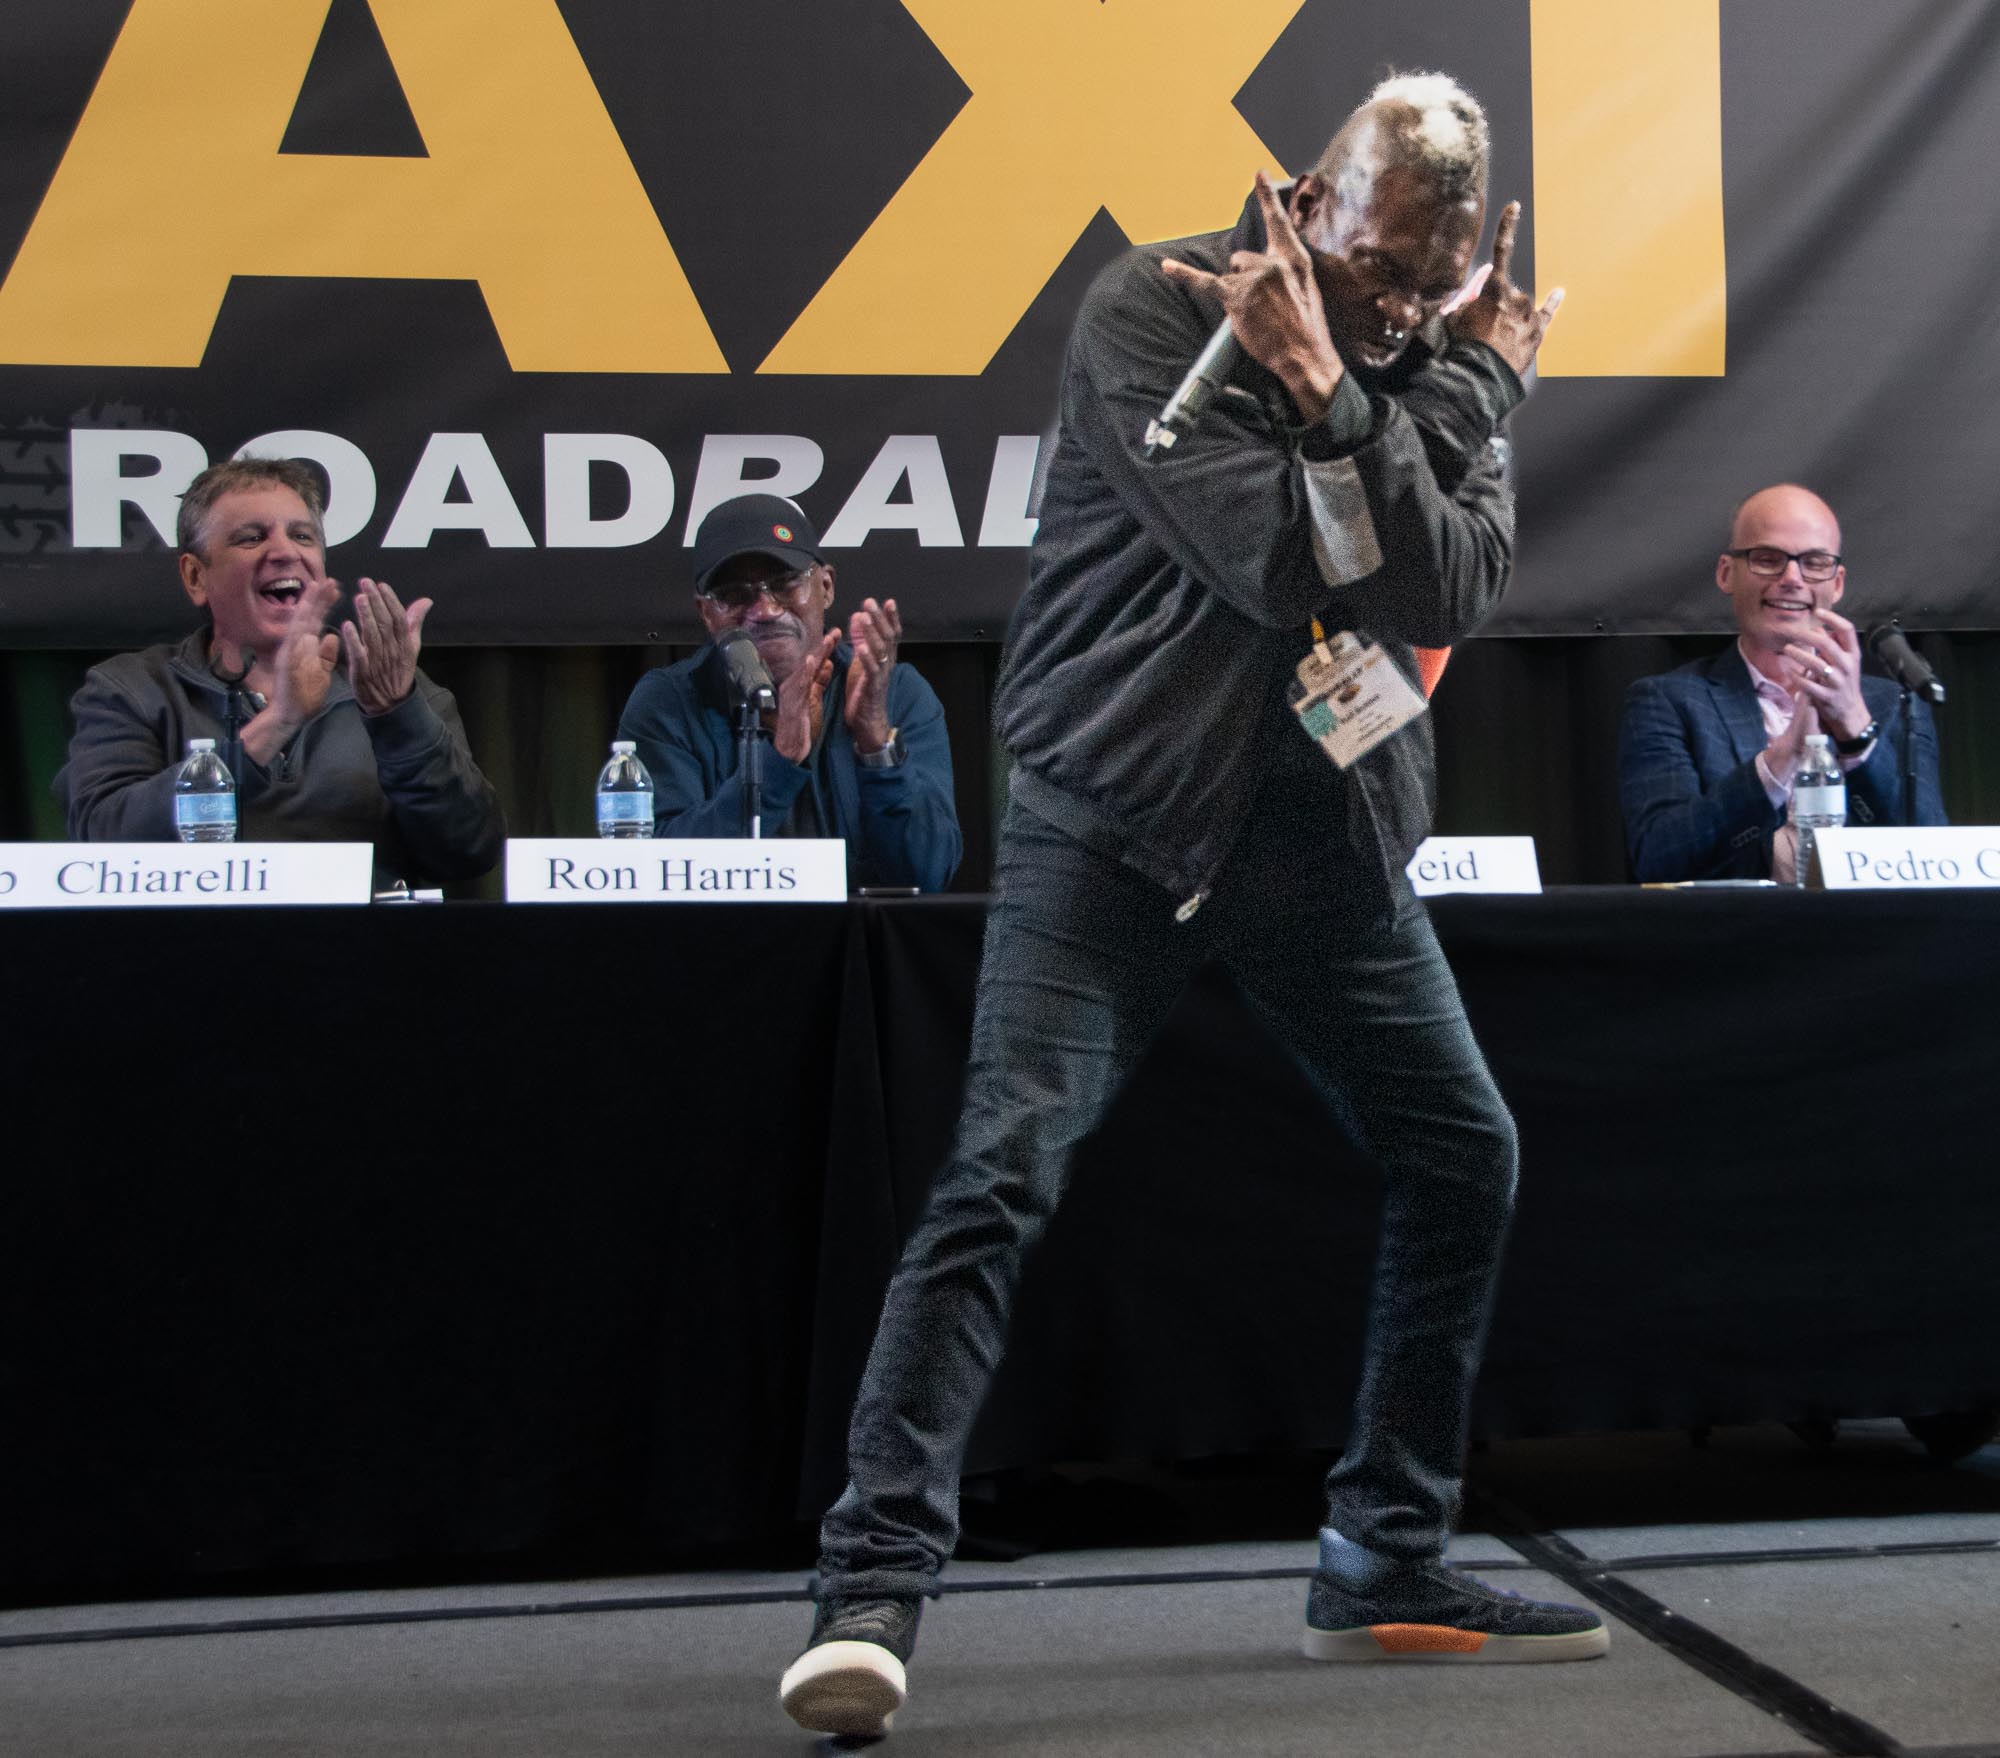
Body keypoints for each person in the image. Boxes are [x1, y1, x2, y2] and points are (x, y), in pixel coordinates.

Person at [777, 72, 1604, 1741]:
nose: (1386, 317)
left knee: (1468, 1151)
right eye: (1367, 280)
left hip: (1324, 842)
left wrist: (1390, 398)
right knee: (1003, 1169)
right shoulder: (1151, 315)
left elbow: (1449, 584)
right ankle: (869, 1585)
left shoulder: (1431, 363)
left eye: (1422, 298)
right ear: (1303, 201)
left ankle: (1383, 1555)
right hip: (1121, 821)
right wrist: (1432, 404)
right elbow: (1289, 566)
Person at [54, 457, 504, 888]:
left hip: (361, 953)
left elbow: (468, 851)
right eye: (251, 538)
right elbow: (103, 843)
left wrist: (396, 718)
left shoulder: (396, 692)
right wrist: (275, 725)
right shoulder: (131, 690)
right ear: (195, 577)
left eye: (303, 537)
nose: (285, 551)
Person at [616, 494, 960, 892]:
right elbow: (654, 874)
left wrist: (873, 738)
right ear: (707, 613)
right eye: (734, 594)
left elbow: (928, 874)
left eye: (784, 584)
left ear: (826, 587)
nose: (764, 610)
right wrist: (778, 763)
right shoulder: (669, 703)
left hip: (858, 950)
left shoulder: (896, 693)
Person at [1619, 484, 1946, 883]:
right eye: (1768, 559)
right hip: (1738, 939)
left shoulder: (1896, 706)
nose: (1792, 578)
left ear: (1837, 583)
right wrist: (1783, 757)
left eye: (1814, 562)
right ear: (1727, 574)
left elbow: (1935, 862)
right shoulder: (1668, 702)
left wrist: (1856, 732)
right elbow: (1658, 858)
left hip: (1869, 939)